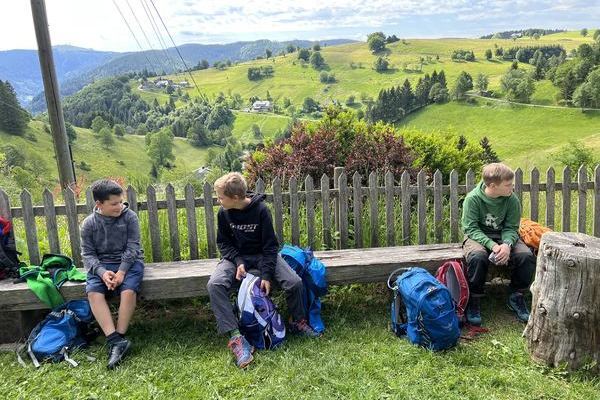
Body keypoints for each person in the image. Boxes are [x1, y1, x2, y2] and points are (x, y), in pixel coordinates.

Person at [207, 172, 319, 368]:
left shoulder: (261, 210)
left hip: (263, 255)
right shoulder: (223, 213)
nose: (218, 201)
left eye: (220, 197)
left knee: (294, 283)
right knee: (214, 284)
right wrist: (238, 261)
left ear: (235, 198)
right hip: (235, 258)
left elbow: (270, 246)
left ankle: (297, 321)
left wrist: (266, 275)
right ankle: (236, 337)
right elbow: (224, 243)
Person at [461, 163, 535, 326]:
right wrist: (493, 246)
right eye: (508, 185)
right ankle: (474, 299)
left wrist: (507, 245)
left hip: (504, 236)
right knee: (478, 257)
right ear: (493, 186)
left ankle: (516, 296)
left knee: (526, 256)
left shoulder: (511, 200)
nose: (512, 187)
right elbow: (471, 229)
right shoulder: (473, 199)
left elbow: (511, 227)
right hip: (477, 236)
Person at [81, 179, 144, 369]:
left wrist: (122, 272)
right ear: (99, 204)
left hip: (130, 263)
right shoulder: (89, 224)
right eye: (114, 204)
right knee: (93, 293)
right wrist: (101, 273)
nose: (120, 206)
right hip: (100, 265)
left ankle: (120, 336)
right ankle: (114, 339)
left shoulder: (129, 217)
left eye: (121, 202)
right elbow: (88, 254)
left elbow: (133, 248)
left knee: (128, 291)